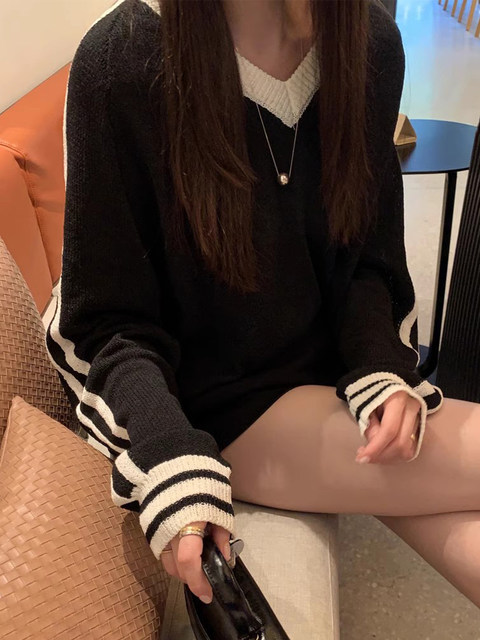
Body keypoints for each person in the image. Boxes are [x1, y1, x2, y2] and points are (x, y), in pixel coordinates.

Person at [45, 0, 480, 612]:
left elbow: (369, 254)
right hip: (219, 401)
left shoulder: (369, 42)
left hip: (320, 367)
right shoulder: (123, 60)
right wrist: (169, 450)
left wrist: (380, 364)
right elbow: (108, 321)